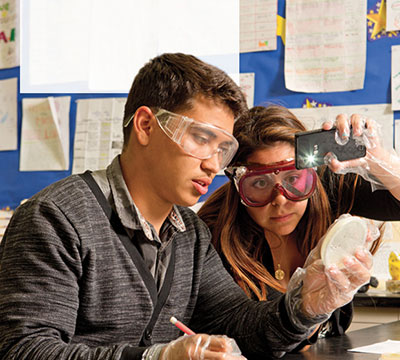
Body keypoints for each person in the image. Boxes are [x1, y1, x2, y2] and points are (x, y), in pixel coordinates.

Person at [0, 54, 373, 360]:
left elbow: (240, 324)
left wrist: (304, 307)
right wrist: (156, 358)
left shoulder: (188, 233)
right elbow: (23, 350)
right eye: (201, 138)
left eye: (222, 149)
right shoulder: (56, 218)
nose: (213, 165)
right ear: (146, 125)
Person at [197, 105, 400, 350]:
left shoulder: (326, 190)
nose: (280, 199)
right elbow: (239, 332)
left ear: (310, 171)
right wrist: (305, 311)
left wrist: (379, 160)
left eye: (293, 179)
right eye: (260, 182)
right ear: (238, 185)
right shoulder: (212, 234)